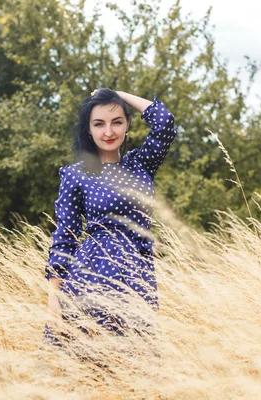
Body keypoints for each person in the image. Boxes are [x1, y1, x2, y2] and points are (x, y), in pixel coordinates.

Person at [43, 88, 177, 346]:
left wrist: (117, 94)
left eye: (117, 122)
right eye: (99, 124)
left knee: (136, 365)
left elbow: (164, 122)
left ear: (127, 125)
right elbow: (64, 239)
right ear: (88, 130)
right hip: (89, 277)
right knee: (85, 366)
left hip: (137, 275)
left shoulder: (140, 164)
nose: (108, 132)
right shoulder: (76, 174)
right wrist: (53, 302)